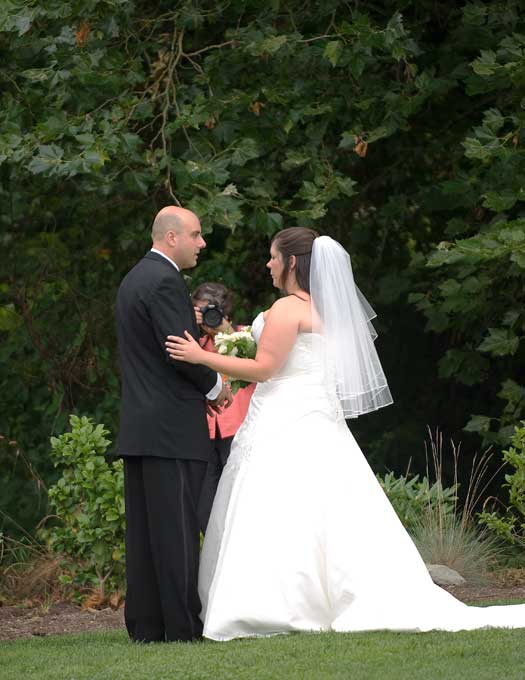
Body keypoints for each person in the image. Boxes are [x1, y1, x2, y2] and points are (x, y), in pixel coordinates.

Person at [166, 227, 525, 640]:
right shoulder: (327, 310)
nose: (268, 264)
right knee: (325, 509)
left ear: (292, 263)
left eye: (273, 257)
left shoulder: (287, 309)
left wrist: (200, 356)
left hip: (284, 418)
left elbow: (266, 369)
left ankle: (271, 606)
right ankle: (321, 598)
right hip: (316, 419)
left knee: (276, 508)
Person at [115, 206, 232, 643]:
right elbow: (178, 352)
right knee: (178, 531)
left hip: (144, 424)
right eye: (196, 235)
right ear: (171, 238)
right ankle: (181, 627)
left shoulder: (135, 279)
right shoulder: (164, 281)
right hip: (170, 428)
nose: (202, 244)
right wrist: (216, 387)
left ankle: (148, 625)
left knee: (147, 533)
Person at [191, 282, 256, 533]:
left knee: (242, 502)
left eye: (211, 311)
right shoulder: (195, 345)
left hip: (240, 431)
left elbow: (256, 370)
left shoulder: (246, 337)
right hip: (205, 436)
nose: (207, 318)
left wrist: (225, 330)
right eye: (200, 312)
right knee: (204, 509)